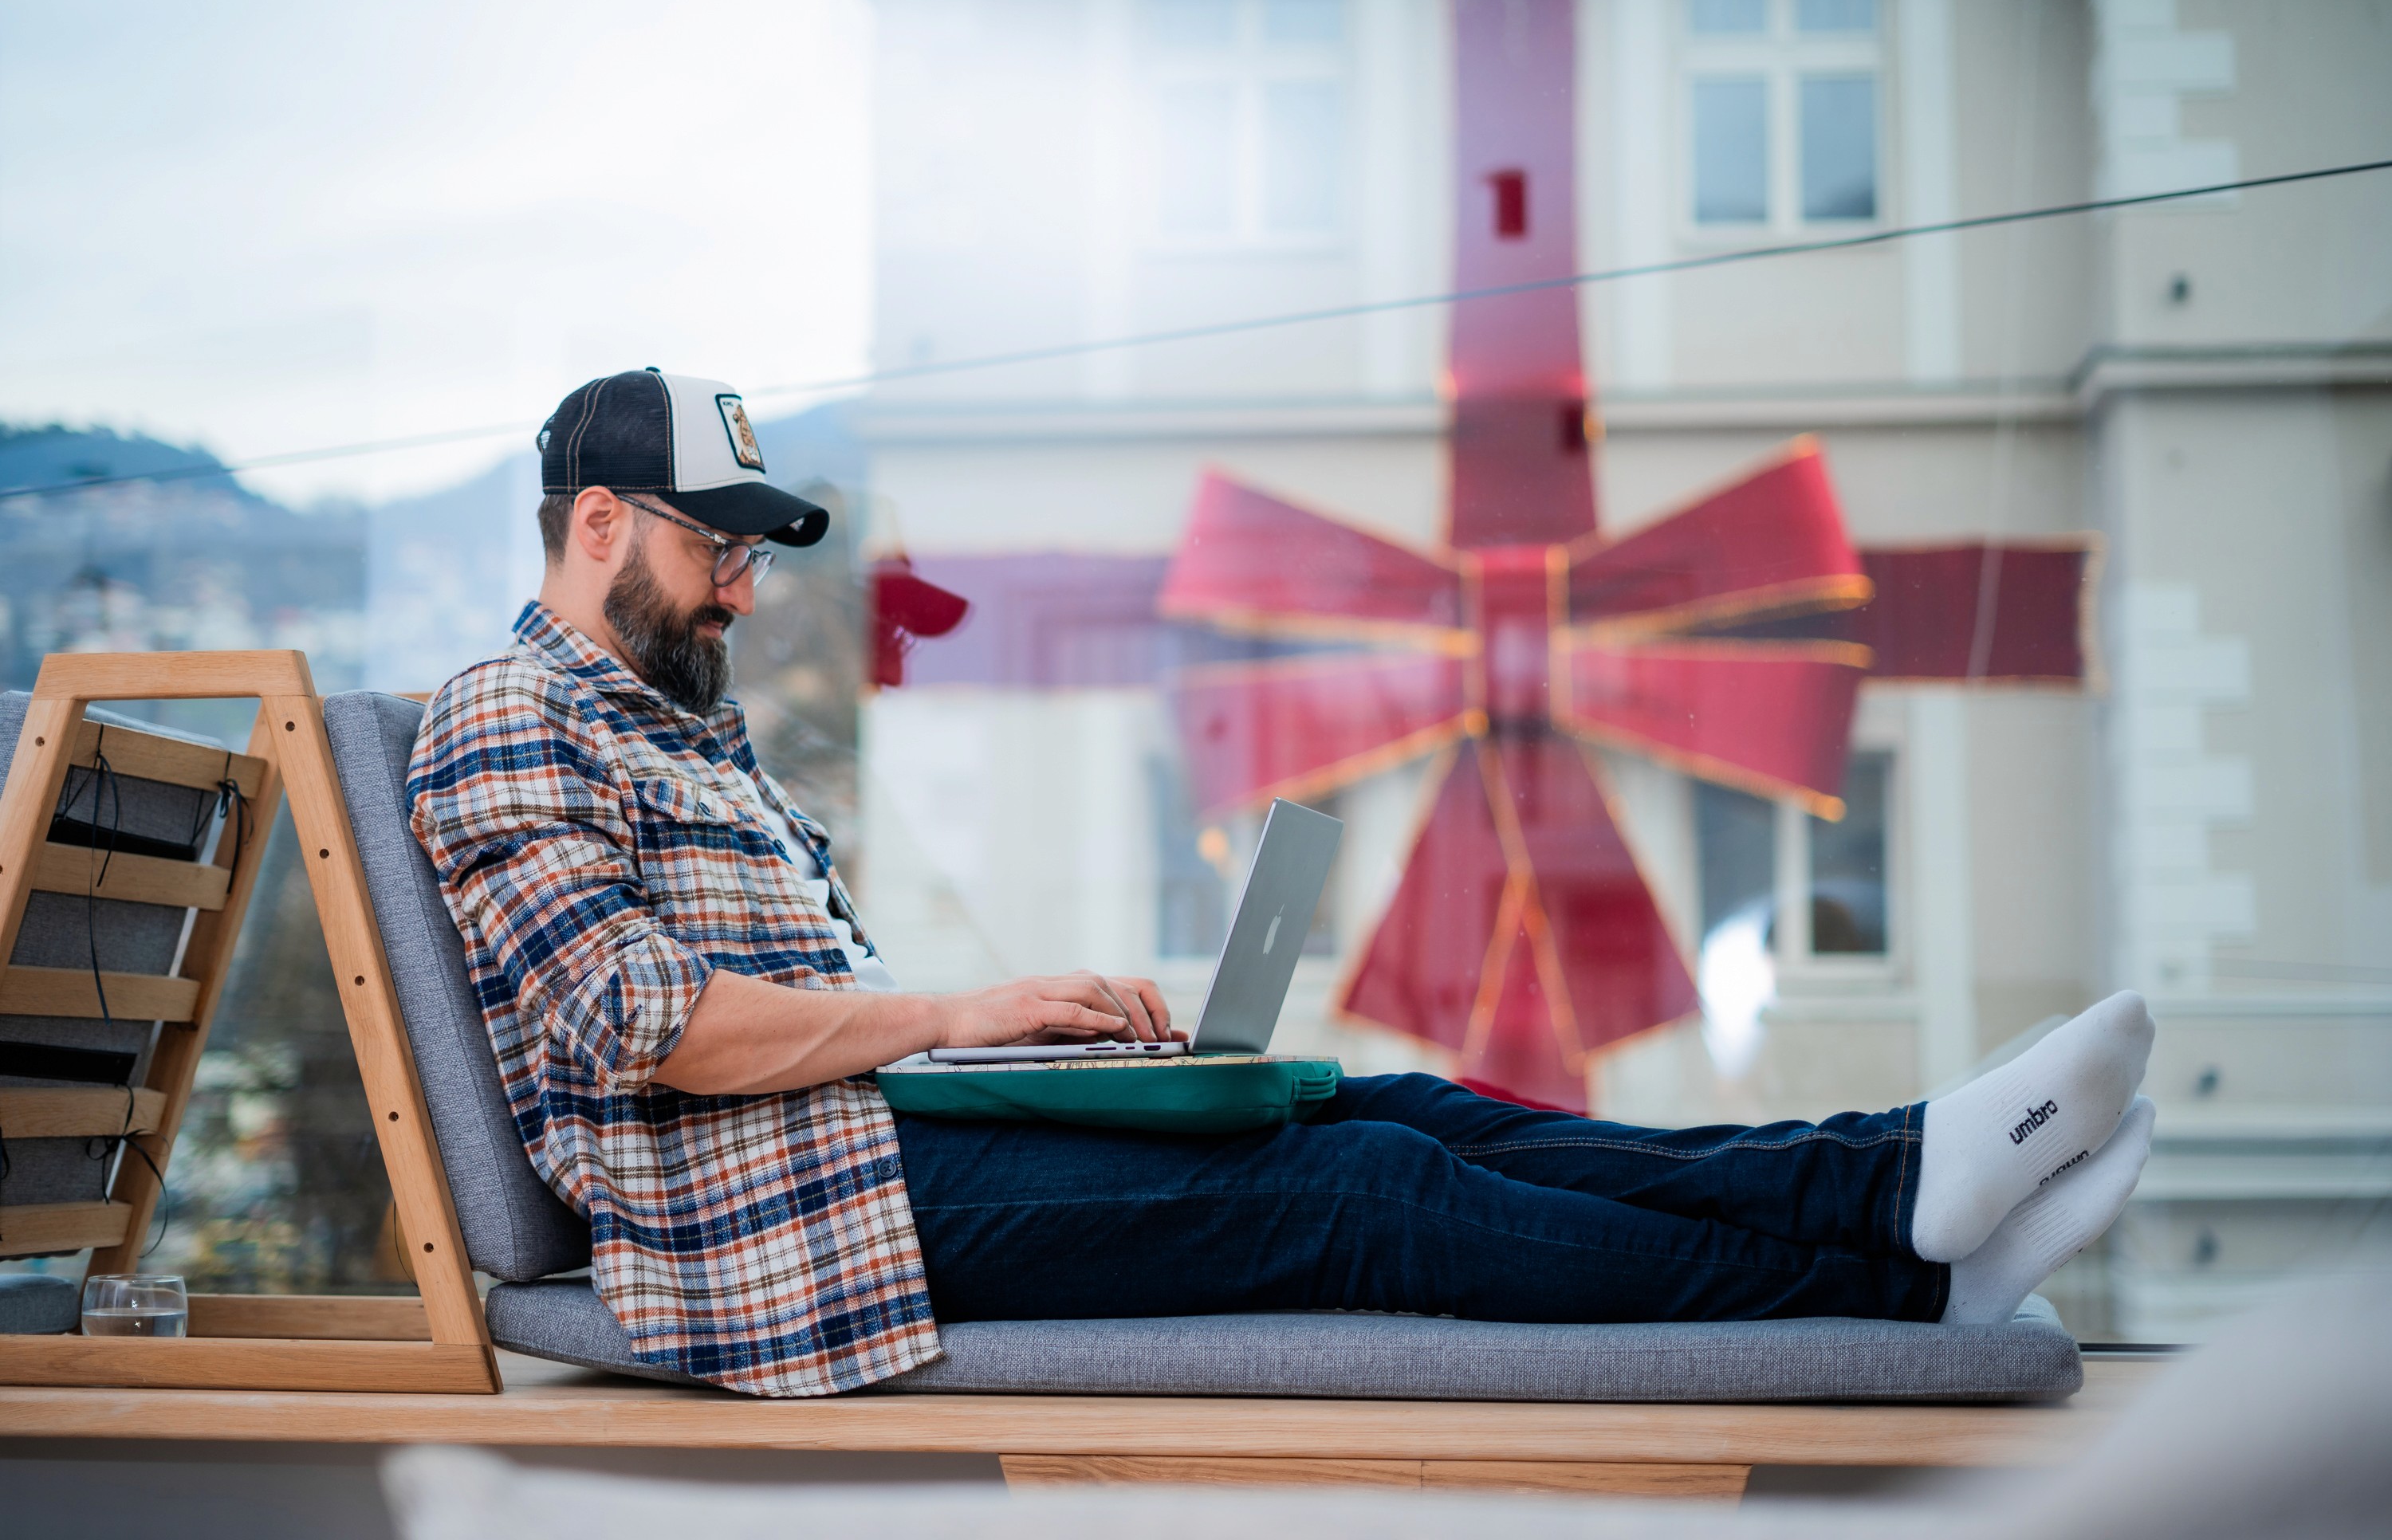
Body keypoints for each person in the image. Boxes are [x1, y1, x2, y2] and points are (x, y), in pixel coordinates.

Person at [409, 370, 2160, 1399]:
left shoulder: (687, 733)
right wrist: (966, 1012)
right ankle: (1902, 1301)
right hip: (780, 1220)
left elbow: (807, 1013)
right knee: (1361, 1193)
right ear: (597, 526)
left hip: (878, 1139)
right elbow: (652, 1030)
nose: (742, 591)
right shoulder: (502, 718)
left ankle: (1891, 1185)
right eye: (718, 547)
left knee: (1378, 1099)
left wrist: (1027, 1048)